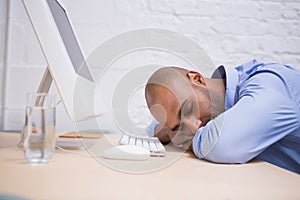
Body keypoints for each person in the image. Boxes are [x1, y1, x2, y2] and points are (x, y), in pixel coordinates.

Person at [145, 60, 300, 174]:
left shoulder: (267, 85)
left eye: (187, 109)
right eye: (179, 127)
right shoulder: (218, 105)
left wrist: (179, 136)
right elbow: (154, 129)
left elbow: (220, 145)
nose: (192, 127)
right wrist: (171, 131)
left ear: (197, 79)